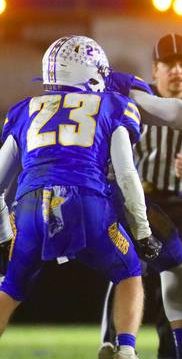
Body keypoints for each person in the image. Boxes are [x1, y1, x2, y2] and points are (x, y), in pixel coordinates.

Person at [0, 35, 160, 359]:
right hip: (87, 201)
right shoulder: (114, 105)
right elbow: (127, 174)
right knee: (129, 272)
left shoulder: (24, 110)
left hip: (31, 206)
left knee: (11, 288)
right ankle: (126, 351)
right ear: (92, 73)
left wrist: (5, 236)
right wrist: (142, 231)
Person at [99, 34, 182, 359]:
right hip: (141, 201)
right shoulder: (138, 105)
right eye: (168, 65)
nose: (177, 72)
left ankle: (170, 351)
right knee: (128, 268)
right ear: (154, 71)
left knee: (174, 274)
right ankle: (113, 343)